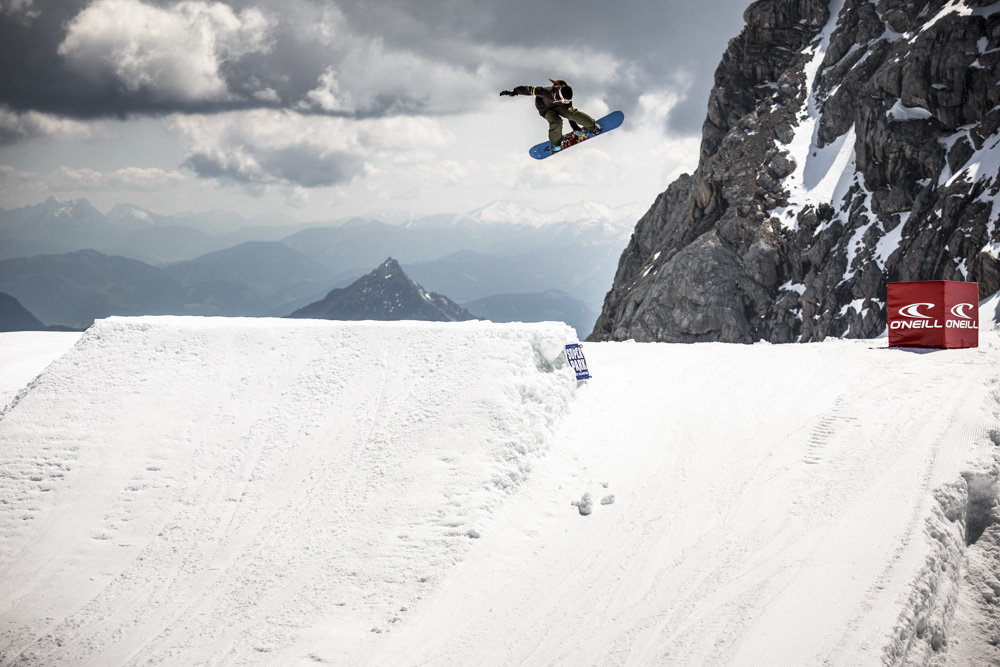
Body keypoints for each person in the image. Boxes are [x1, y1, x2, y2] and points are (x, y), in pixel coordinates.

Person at [500, 79, 602, 152]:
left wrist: (575, 127)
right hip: (545, 109)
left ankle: (593, 126)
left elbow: (570, 115)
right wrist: (513, 92)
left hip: (558, 107)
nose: (566, 102)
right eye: (564, 100)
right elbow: (528, 89)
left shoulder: (566, 100)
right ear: (560, 95)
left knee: (572, 113)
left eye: (567, 101)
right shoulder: (545, 92)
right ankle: (556, 144)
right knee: (556, 122)